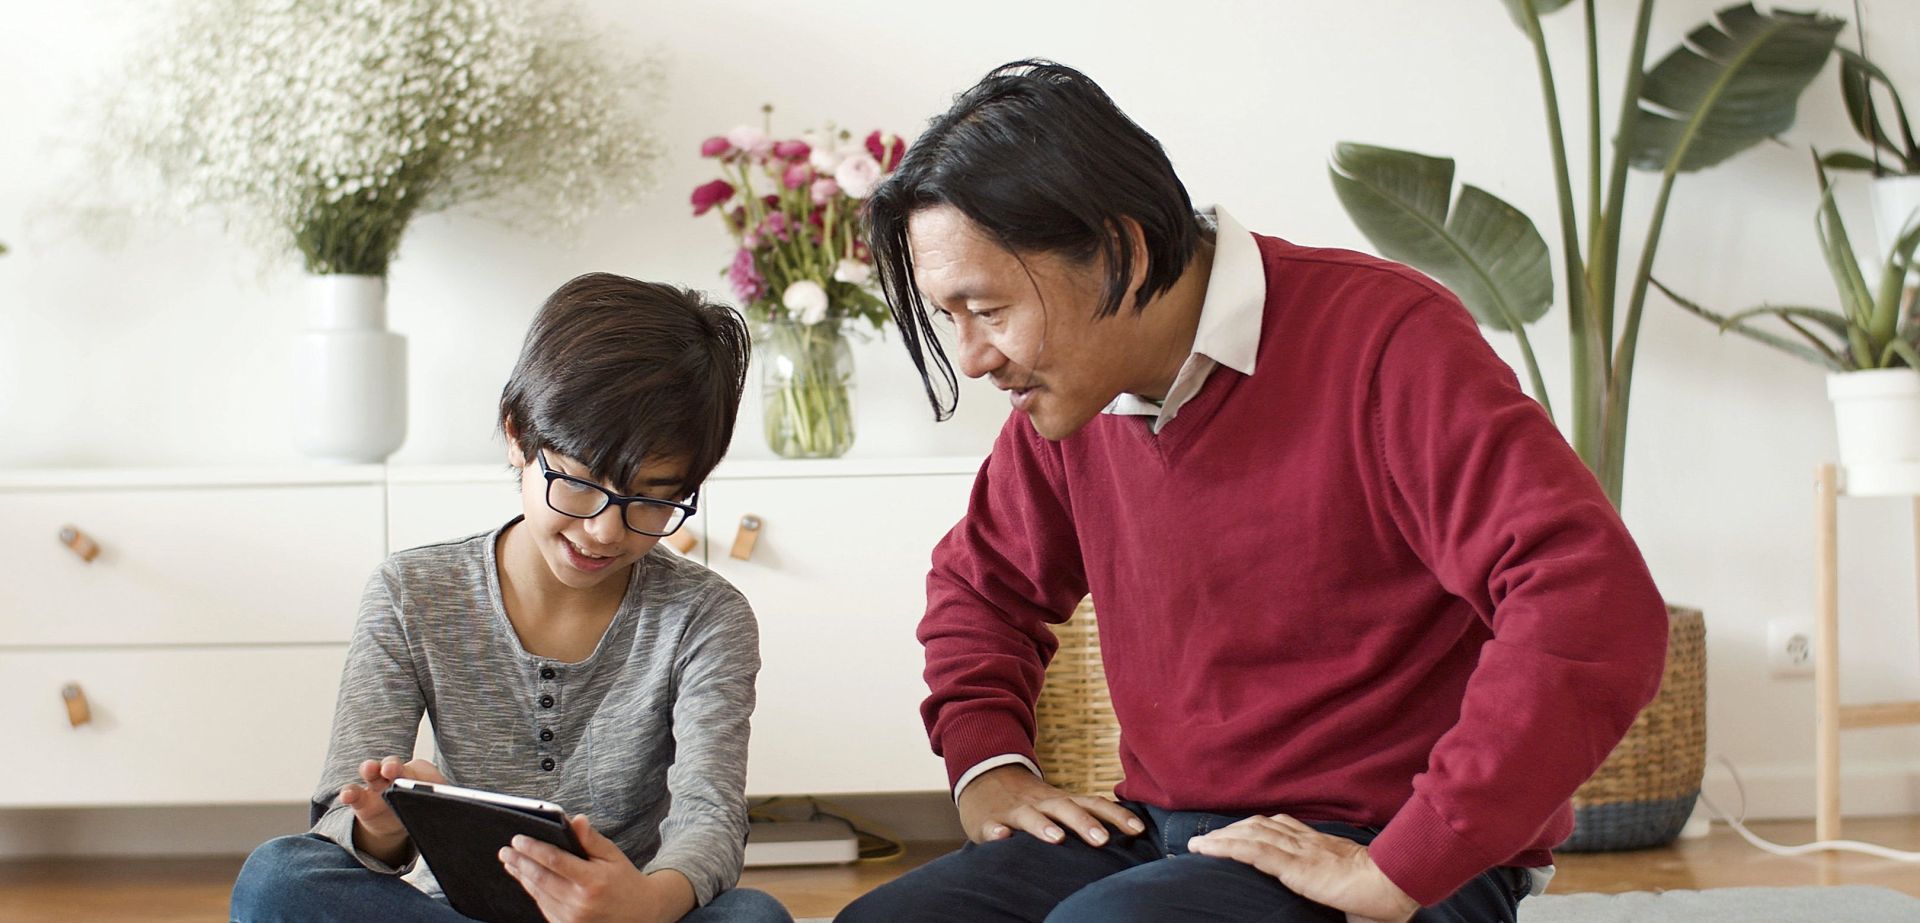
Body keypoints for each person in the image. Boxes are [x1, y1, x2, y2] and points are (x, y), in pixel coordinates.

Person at [837, 60, 1669, 923]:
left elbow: (1591, 604)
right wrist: (988, 764)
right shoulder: (1072, 394)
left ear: (1120, 251)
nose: (972, 357)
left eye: (989, 309)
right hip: (1166, 833)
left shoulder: (1387, 341)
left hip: (1378, 847)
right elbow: (981, 588)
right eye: (949, 317)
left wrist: (1409, 860)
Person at [231, 273, 792, 923]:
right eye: (580, 484)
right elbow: (337, 820)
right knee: (279, 877)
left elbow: (710, 818)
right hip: (458, 911)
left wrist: (647, 901)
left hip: (627, 914)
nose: (605, 530)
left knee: (753, 917)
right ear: (516, 434)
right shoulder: (410, 592)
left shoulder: (706, 615)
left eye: (652, 498)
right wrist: (385, 824)